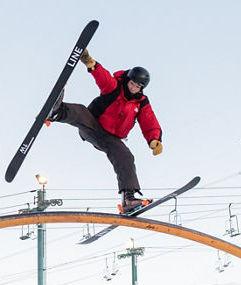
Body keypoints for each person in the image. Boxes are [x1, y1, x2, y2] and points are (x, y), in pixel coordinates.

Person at [46, 50, 164, 212]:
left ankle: (128, 199)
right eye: (132, 84)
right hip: (93, 125)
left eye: (138, 87)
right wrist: (91, 64)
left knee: (125, 156)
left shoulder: (141, 102)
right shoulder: (115, 87)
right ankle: (57, 112)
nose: (134, 88)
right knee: (80, 111)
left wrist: (154, 138)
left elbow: (149, 119)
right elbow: (104, 78)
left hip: (112, 138)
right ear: (128, 79)